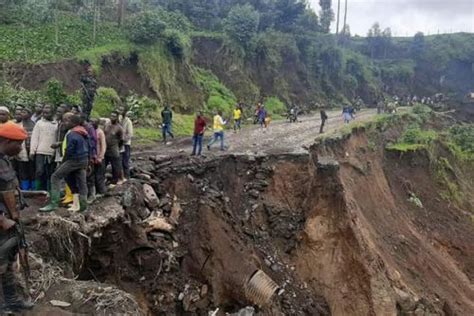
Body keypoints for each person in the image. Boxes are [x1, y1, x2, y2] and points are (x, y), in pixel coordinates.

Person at [0, 122, 35, 313]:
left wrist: (31, 194)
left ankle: (12, 301)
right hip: (2, 221)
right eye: (19, 143)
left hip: (10, 220)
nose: (21, 148)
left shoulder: (4, 160)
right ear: (6, 141)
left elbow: (8, 188)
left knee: (8, 263)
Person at [40, 113, 89, 212]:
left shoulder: (72, 134)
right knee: (77, 181)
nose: (64, 123)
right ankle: (82, 206)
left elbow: (70, 149)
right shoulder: (81, 132)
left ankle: (54, 203)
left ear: (74, 122)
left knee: (55, 176)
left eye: (67, 121)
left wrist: (63, 162)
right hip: (83, 160)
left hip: (74, 160)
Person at [30, 105, 58, 191]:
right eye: (44, 113)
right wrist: (32, 151)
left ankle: (49, 190)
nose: (45, 114)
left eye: (47, 113)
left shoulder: (56, 124)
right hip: (40, 151)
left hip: (52, 152)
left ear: (52, 113)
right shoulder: (39, 123)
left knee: (50, 172)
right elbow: (35, 137)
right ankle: (38, 190)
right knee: (39, 171)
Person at [14, 107, 35, 190]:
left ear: (30, 114)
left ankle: (33, 188)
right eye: (21, 112)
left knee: (33, 170)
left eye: (25, 112)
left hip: (32, 151)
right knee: (23, 170)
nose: (22, 114)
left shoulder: (35, 124)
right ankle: (25, 188)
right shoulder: (17, 125)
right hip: (22, 152)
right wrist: (16, 152)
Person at [88, 118, 107, 203]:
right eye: (91, 122)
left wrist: (100, 157)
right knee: (91, 176)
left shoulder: (100, 132)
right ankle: (92, 193)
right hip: (92, 157)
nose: (92, 124)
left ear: (97, 124)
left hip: (99, 157)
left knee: (99, 176)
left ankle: (102, 192)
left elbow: (103, 146)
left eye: (94, 123)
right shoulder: (89, 132)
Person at [104, 111, 124, 186]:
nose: (112, 118)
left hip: (114, 150)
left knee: (115, 167)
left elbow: (121, 140)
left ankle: (115, 181)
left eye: (114, 116)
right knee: (103, 166)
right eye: (111, 116)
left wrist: (118, 147)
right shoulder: (106, 125)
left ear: (117, 117)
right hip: (105, 150)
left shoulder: (119, 128)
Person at [120, 111, 133, 179]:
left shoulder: (128, 122)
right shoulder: (119, 120)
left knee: (125, 161)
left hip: (126, 144)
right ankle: (121, 177)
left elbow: (130, 134)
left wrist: (123, 140)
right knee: (119, 161)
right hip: (119, 144)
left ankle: (127, 177)